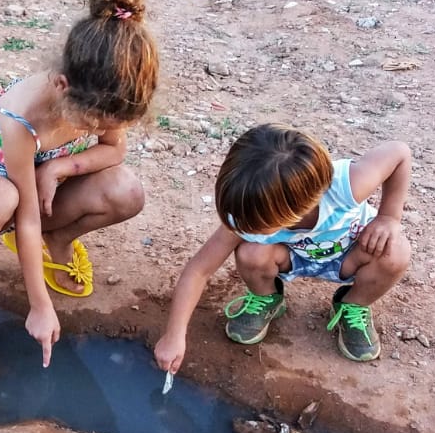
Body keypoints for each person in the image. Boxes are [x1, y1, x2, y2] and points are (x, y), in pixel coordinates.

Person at [0, 0, 159, 375]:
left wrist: (57, 168)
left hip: (47, 187)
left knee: (126, 190)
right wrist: (39, 305)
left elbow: (114, 151)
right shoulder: (21, 118)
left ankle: (56, 239)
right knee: (1, 199)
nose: (97, 130)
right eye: (92, 124)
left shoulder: (107, 91)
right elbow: (26, 216)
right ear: (63, 87)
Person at [155, 125, 411, 371]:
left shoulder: (348, 186)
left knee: (395, 252)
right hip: (293, 257)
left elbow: (399, 152)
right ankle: (268, 298)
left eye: (254, 224)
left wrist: (389, 217)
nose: (243, 226)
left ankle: (353, 305)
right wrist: (173, 335)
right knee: (250, 251)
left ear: (291, 211)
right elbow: (198, 270)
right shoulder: (249, 212)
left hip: (350, 255)